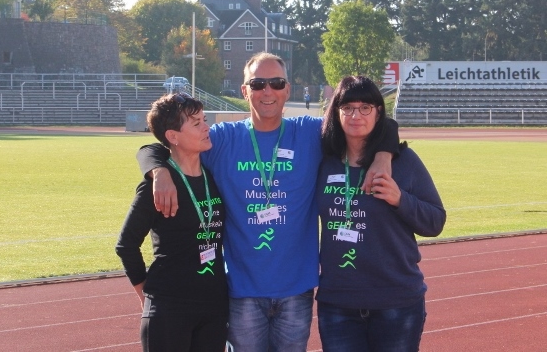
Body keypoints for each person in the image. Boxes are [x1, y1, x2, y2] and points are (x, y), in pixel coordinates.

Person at [136, 52, 399, 352]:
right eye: (258, 84)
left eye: (276, 83)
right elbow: (159, 144)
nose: (268, 91)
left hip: (296, 289)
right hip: (242, 289)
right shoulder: (222, 139)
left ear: (288, 89)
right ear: (244, 90)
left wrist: (383, 155)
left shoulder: (310, 132)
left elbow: (375, 123)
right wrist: (158, 170)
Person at [315, 75, 446, 352]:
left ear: (378, 112)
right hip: (338, 303)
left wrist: (400, 199)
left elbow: (435, 221)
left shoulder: (402, 160)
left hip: (395, 301)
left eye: (365, 107)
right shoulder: (322, 160)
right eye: (347, 107)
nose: (356, 115)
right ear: (336, 112)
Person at [115, 93, 228, 352]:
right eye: (196, 123)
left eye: (204, 119)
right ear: (173, 136)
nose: (205, 127)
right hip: (170, 308)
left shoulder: (214, 175)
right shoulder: (156, 188)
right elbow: (126, 245)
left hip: (214, 308)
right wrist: (147, 296)